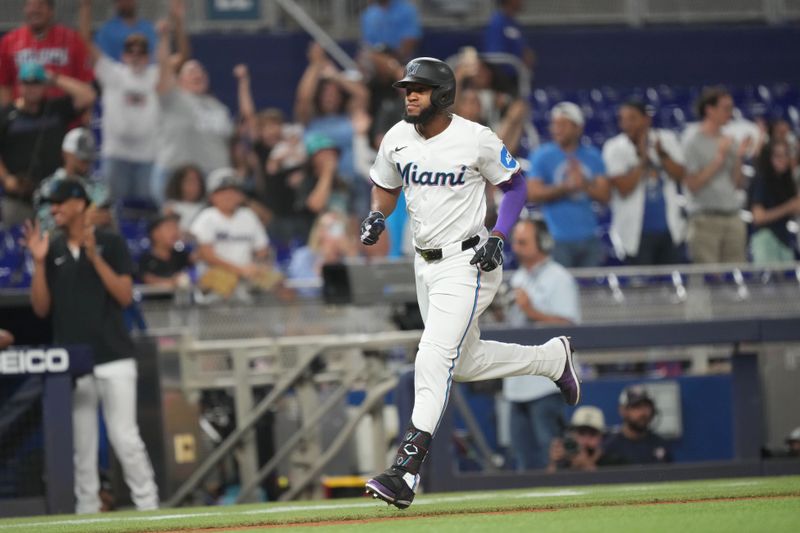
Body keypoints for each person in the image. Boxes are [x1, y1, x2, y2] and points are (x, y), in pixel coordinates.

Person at [360, 56, 580, 510]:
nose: (409, 95)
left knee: (433, 354)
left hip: (470, 260)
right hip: (425, 265)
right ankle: (550, 358)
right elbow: (386, 184)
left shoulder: (474, 137)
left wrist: (500, 236)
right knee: (462, 362)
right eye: (406, 89)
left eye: (418, 88)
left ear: (441, 94)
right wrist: (378, 214)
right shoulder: (397, 138)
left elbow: (516, 186)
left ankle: (406, 469)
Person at [22, 180, 159, 513]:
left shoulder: (111, 243)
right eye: (51, 205)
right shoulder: (50, 249)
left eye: (59, 203)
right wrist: (39, 262)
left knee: (125, 437)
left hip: (114, 355)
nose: (53, 210)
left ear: (80, 204)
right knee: (82, 446)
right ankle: (87, 511)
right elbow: (41, 308)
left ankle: (150, 507)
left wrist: (95, 257)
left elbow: (125, 296)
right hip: (73, 360)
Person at [502, 218, 581, 470]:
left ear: (543, 242)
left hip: (546, 383)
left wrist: (531, 310)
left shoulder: (559, 278)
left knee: (552, 456)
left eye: (523, 242)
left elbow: (570, 326)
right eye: (515, 241)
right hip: (516, 382)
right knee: (523, 458)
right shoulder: (516, 280)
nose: (516, 247)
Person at [0, 62, 96, 226]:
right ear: (19, 85)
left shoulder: (56, 109)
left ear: (44, 86)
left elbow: (88, 96)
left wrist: (53, 78)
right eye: (27, 83)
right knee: (14, 243)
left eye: (37, 83)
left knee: (55, 246)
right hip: (19, 197)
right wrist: (6, 178)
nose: (31, 88)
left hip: (55, 198)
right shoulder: (7, 115)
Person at [153, 20, 233, 204]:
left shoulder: (219, 107)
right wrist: (163, 39)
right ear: (179, 81)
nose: (197, 73)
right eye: (191, 71)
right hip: (176, 174)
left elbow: (228, 142)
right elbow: (164, 71)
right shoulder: (174, 98)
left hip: (214, 176)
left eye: (200, 71)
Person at [602, 100, 687, 265]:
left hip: (669, 231)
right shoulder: (614, 148)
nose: (627, 124)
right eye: (623, 119)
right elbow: (624, 188)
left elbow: (680, 175)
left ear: (646, 119)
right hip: (635, 234)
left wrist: (662, 154)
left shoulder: (666, 140)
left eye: (632, 119)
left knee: (672, 285)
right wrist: (642, 161)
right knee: (642, 288)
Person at [527, 102, 611, 267]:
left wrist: (584, 184)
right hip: (556, 239)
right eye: (555, 124)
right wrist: (565, 187)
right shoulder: (542, 156)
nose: (557, 129)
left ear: (578, 128)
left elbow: (605, 195)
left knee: (590, 291)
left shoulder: (592, 156)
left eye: (563, 125)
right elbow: (533, 193)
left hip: (589, 238)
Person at [682, 87, 750, 264]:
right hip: (705, 220)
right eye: (725, 108)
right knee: (709, 280)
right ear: (709, 110)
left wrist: (738, 157)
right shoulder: (692, 140)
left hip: (732, 216)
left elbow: (737, 183)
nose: (730, 113)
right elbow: (693, 184)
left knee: (736, 276)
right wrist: (719, 158)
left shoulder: (729, 140)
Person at [190, 168, 271, 300]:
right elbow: (206, 254)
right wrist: (240, 270)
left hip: (246, 275)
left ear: (240, 195)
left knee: (280, 284)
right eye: (222, 192)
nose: (229, 196)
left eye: (233, 191)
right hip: (215, 276)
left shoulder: (248, 216)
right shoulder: (206, 217)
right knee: (225, 284)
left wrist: (258, 266)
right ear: (212, 196)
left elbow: (262, 249)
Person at [0, 0, 93, 106]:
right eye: (29, 5)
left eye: (40, 5)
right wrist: (8, 116)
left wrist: (52, 78)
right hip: (24, 116)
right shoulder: (9, 41)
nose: (34, 10)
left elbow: (85, 83)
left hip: (64, 116)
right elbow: (4, 85)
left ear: (51, 11)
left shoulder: (71, 39)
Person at [34, 127, 111, 232]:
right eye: (81, 156)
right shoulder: (48, 188)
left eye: (89, 157)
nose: (86, 161)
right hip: (60, 244)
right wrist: (82, 220)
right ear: (66, 153)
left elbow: (107, 218)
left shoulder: (99, 189)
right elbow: (45, 225)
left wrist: (105, 218)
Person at [748, 140, 800, 264]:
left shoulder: (786, 181)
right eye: (778, 156)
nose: (783, 159)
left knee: (788, 282)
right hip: (765, 237)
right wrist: (788, 207)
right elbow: (759, 217)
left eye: (786, 155)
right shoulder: (761, 180)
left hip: (784, 238)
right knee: (768, 280)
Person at [600, 385, 672, 466]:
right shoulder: (609, 448)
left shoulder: (660, 445)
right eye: (636, 406)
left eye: (646, 406)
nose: (643, 412)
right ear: (623, 410)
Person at [482, 0, 535, 92]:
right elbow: (495, 58)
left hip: (519, 80)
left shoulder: (514, 24)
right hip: (503, 84)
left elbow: (524, 50)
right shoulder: (497, 23)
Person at [137, 213, 192, 287]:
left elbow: (197, 258)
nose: (175, 232)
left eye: (176, 228)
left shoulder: (181, 256)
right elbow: (148, 279)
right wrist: (173, 282)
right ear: (155, 233)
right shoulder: (146, 259)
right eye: (169, 228)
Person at [547, 406, 606, 472]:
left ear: (601, 437)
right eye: (581, 432)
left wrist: (586, 464)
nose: (586, 440)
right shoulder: (564, 455)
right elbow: (550, 480)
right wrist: (553, 463)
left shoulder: (610, 458)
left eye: (592, 434)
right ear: (572, 434)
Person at [163, 164, 207, 236]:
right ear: (179, 184)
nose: (194, 186)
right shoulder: (171, 208)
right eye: (189, 181)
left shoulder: (207, 209)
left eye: (197, 182)